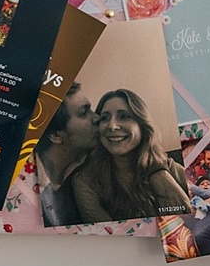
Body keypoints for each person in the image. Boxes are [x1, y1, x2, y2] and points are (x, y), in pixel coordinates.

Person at [63, 87, 192, 224]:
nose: (112, 126)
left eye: (124, 116)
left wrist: (159, 174)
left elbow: (196, 220)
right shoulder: (85, 181)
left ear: (142, 126)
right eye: (105, 118)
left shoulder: (170, 167)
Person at [32, 95, 98, 225]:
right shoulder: (19, 182)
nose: (97, 118)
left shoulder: (97, 163)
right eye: (84, 113)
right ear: (55, 135)